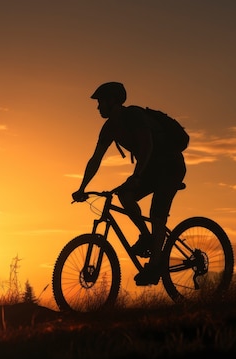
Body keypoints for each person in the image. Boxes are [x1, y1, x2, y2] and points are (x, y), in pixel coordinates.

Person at [72, 82, 187, 286]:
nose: (98, 107)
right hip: (151, 169)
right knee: (124, 195)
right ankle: (147, 237)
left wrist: (137, 176)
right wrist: (82, 188)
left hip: (170, 165)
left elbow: (147, 146)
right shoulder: (109, 128)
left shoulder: (133, 116)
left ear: (113, 101)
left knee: (156, 212)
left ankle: (155, 264)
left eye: (101, 102)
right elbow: (95, 159)